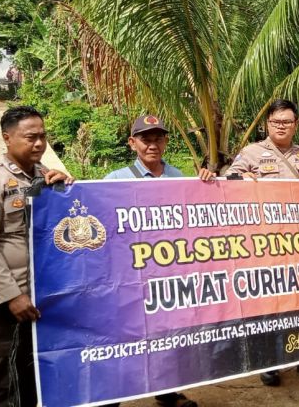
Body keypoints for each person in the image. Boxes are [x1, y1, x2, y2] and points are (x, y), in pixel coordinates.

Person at [0, 105, 74, 407]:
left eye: (43, 136)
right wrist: (11, 296)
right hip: (5, 305)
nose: (39, 143)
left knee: (29, 378)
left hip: (41, 298)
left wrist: (68, 187)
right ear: (7, 138)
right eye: (30, 137)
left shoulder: (44, 176)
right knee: (0, 383)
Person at [104, 114, 213, 407]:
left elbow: (197, 218)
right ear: (132, 143)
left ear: (165, 142)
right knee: (126, 339)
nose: (152, 145)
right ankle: (112, 399)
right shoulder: (114, 181)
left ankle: (168, 393)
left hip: (168, 276)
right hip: (131, 277)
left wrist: (208, 184)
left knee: (168, 338)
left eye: (158, 138)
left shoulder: (179, 177)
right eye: (145, 139)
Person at [226, 98, 299, 387]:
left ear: (296, 124)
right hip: (266, 242)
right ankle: (270, 360)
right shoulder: (251, 152)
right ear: (267, 124)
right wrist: (241, 177)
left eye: (287, 122)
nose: (281, 126)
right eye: (275, 122)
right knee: (270, 301)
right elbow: (228, 180)